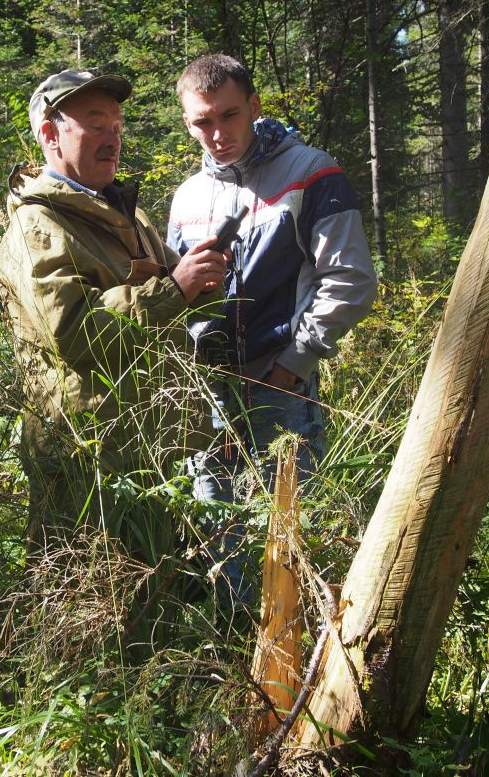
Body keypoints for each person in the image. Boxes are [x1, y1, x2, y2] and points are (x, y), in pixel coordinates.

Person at [167, 53, 377, 601]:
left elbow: (350, 279)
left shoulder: (310, 172)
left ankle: (298, 655)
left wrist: (293, 364)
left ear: (254, 107)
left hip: (281, 385)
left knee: (287, 535)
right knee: (218, 529)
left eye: (228, 116)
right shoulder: (187, 198)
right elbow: (171, 299)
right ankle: (235, 649)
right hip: (207, 393)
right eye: (201, 122)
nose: (216, 134)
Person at [0, 68, 229, 555]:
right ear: (49, 133)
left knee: (153, 603)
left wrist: (202, 278)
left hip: (149, 447)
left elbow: (169, 288)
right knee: (94, 605)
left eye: (118, 128)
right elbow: (75, 334)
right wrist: (176, 290)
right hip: (89, 458)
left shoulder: (122, 211)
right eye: (96, 124)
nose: (112, 139)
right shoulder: (38, 226)